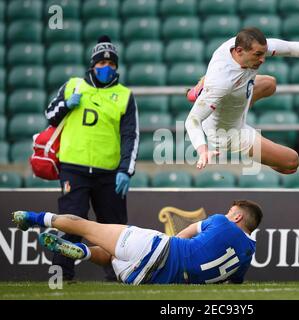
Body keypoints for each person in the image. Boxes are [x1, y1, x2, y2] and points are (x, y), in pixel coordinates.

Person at [44, 35, 139, 281]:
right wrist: (66, 104)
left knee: (114, 227)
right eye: (101, 63)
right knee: (70, 220)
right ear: (92, 65)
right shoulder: (73, 85)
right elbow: (50, 114)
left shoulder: (125, 95)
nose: (106, 68)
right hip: (73, 169)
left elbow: (131, 135)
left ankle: (118, 274)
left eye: (111, 64)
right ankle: (62, 273)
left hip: (109, 173)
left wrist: (125, 170)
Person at [185, 27, 299, 173]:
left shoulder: (240, 45)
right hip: (227, 133)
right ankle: (257, 153)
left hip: (233, 100)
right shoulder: (221, 82)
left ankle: (203, 88)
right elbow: (192, 120)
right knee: (291, 164)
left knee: (269, 84)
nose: (262, 59)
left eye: (263, 54)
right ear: (239, 51)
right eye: (258, 55)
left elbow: (289, 48)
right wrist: (202, 149)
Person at [11, 200, 262, 284]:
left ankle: (32, 218)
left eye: (232, 211)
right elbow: (232, 282)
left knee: (86, 225)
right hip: (141, 278)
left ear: (237, 216)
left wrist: (170, 247)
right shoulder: (248, 253)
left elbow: (185, 233)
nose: (228, 213)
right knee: (110, 255)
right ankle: (82, 252)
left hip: (157, 249)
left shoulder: (220, 221)